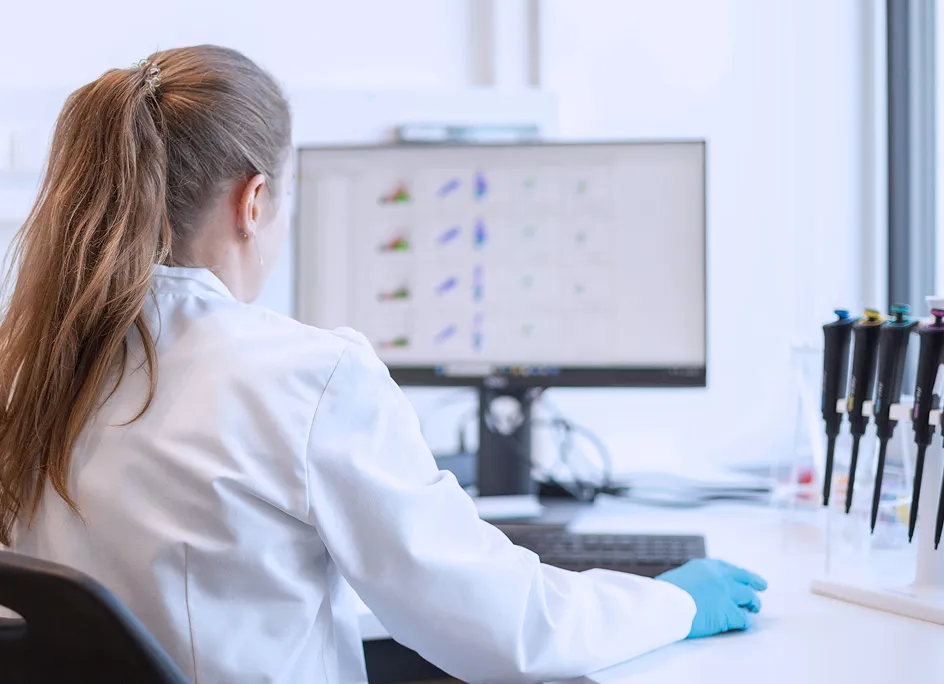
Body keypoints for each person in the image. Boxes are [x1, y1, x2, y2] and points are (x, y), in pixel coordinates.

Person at [1, 45, 766, 684]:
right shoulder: (305, 376)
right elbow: (499, 628)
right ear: (254, 202)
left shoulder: (27, 366)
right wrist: (678, 604)